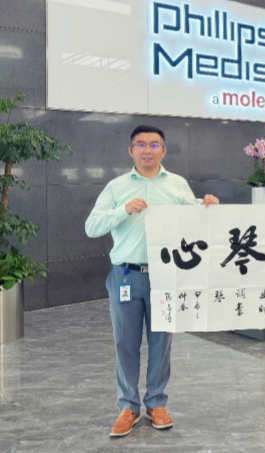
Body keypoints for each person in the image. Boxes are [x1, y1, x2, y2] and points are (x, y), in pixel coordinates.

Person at [85, 126, 219, 438]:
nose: (148, 150)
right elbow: (92, 226)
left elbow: (195, 219)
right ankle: (128, 406)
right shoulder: (117, 187)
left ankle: (156, 402)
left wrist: (207, 206)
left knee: (161, 342)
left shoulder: (177, 184)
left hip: (165, 274)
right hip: (126, 275)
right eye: (141, 144)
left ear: (164, 150)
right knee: (125, 343)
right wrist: (123, 210)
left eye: (154, 144)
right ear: (130, 150)